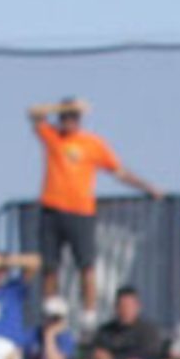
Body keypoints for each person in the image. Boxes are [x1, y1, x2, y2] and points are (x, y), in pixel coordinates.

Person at [25, 97, 162, 318]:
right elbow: (33, 113)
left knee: (86, 265)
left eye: (73, 117)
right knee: (50, 265)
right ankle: (49, 307)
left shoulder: (92, 144)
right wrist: (60, 107)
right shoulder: (53, 136)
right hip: (52, 207)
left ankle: (88, 311)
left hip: (80, 210)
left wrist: (147, 187)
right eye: (65, 117)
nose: (69, 122)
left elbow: (118, 171)